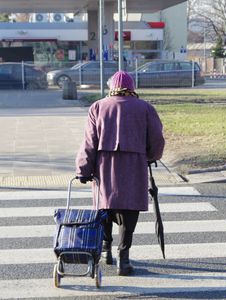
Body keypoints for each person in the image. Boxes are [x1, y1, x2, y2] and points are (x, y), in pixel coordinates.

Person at [75, 71, 165, 276]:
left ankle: (106, 249)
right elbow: (157, 139)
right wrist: (150, 156)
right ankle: (123, 259)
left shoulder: (97, 107)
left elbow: (89, 142)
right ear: (132, 88)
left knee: (104, 207)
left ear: (111, 87)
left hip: (104, 166)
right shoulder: (145, 108)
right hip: (134, 165)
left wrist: (83, 169)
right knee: (129, 210)